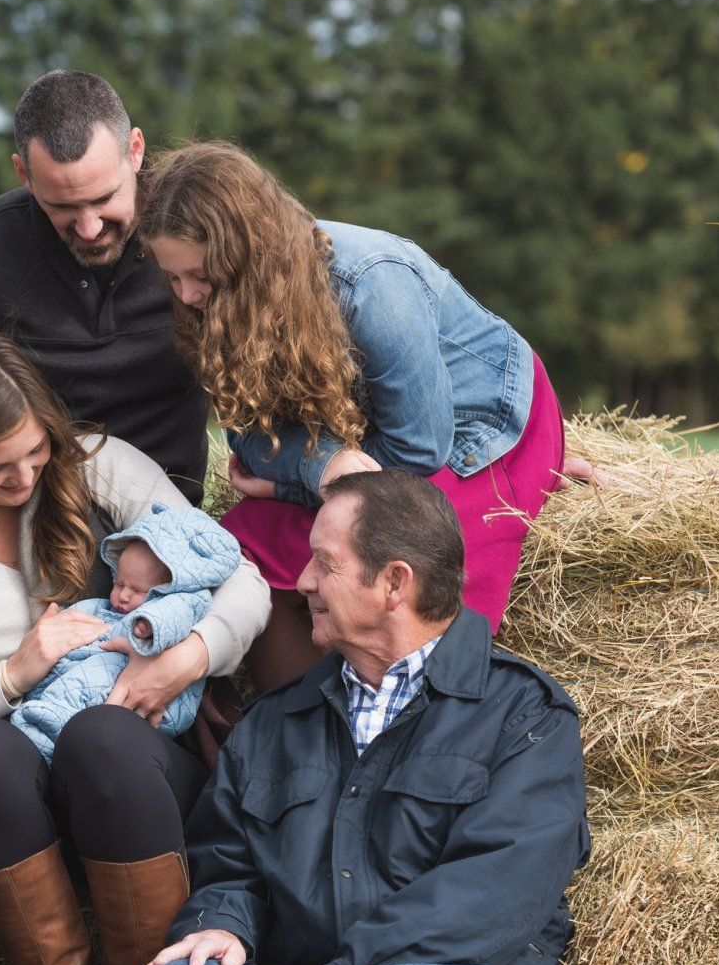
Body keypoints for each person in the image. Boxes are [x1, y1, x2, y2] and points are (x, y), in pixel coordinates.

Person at [136, 470, 589, 965]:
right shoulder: (278, 719)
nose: (302, 582)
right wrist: (223, 926)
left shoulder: (523, 714)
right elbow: (229, 863)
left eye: (325, 563)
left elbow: (490, 897)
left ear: (394, 582)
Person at [0, 329, 269, 965]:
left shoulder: (100, 466)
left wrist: (186, 656)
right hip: (1, 804)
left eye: (36, 452)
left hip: (127, 765)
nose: (26, 475)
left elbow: (243, 578)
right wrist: (9, 676)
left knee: (101, 735)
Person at [137, 141, 570, 691]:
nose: (188, 294)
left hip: (470, 431)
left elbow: (417, 452)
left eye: (199, 275)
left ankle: (405, 723)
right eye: (172, 278)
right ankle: (304, 730)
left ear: (246, 251)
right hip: (358, 442)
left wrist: (290, 483)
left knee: (389, 564)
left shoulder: (373, 285)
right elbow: (246, 440)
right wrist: (323, 466)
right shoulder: (216, 302)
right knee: (242, 548)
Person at [0, 69, 211, 503]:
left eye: (104, 198)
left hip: (168, 506)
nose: (88, 229)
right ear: (23, 174)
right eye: (62, 206)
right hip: (35, 506)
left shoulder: (197, 228)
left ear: (136, 150)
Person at [10, 503, 243, 762]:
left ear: (167, 588)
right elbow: (86, 615)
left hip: (149, 676)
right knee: (77, 680)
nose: (123, 595)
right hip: (110, 666)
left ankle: (40, 738)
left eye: (138, 590)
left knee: (85, 684)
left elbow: (176, 613)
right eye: (119, 583)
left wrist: (150, 625)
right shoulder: (110, 608)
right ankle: (39, 719)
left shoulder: (185, 600)